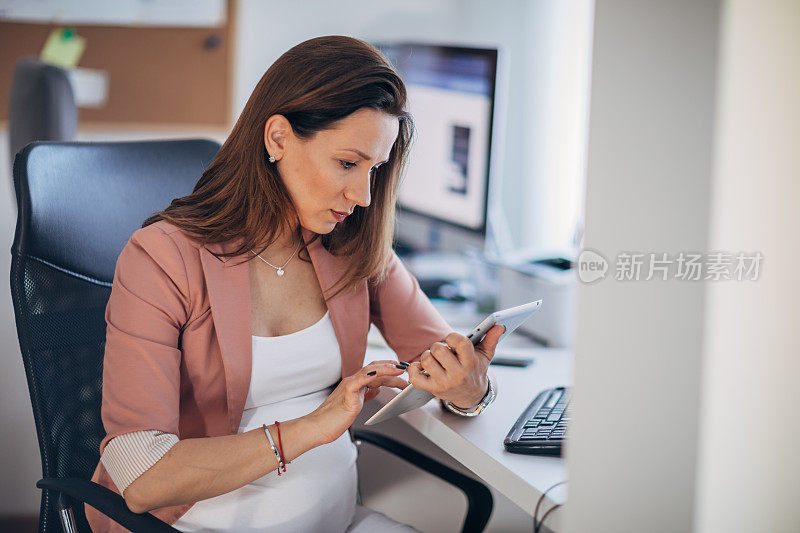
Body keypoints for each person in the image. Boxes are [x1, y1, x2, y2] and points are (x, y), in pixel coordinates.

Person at [87, 35, 503, 532]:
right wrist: (310, 428)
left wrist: (470, 388)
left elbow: (440, 357)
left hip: (338, 518)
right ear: (278, 138)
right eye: (348, 163)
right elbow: (143, 477)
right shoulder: (161, 258)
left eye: (376, 169)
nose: (364, 195)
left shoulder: (354, 245)